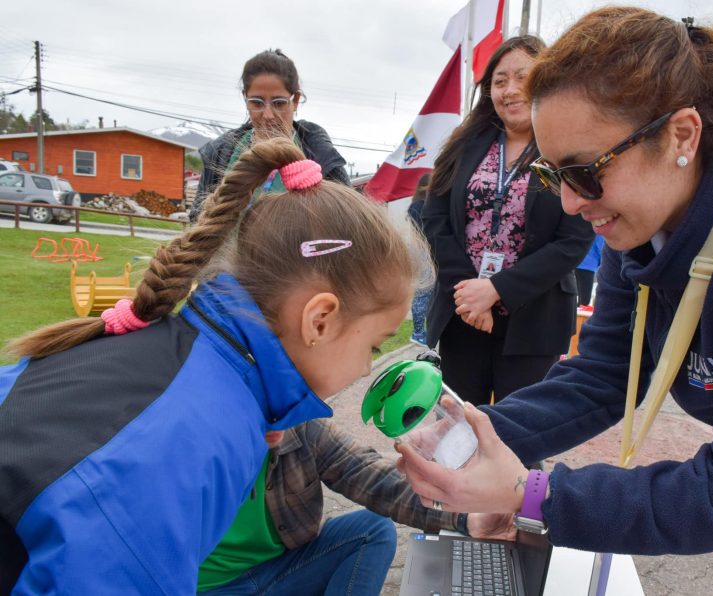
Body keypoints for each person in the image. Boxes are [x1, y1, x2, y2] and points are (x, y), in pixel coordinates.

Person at [398, 7, 713, 594]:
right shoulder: (644, 223)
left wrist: (532, 495)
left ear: (682, 134)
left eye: (584, 172)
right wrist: (465, 436)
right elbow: (604, 376)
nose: (573, 206)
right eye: (554, 178)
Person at [0, 136, 426, 594]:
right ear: (319, 320)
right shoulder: (200, 435)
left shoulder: (182, 363)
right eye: (375, 347)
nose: (366, 370)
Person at [423, 35, 593, 406]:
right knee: (459, 427)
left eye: (523, 77)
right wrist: (470, 293)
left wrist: (497, 289)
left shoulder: (570, 147)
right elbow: (433, 218)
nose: (510, 90)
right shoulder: (463, 144)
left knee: (519, 432)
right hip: (463, 311)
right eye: (500, 81)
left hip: (534, 317)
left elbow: (573, 240)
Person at [198, 421, 512, 595]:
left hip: (280, 569)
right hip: (210, 588)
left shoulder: (299, 425)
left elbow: (374, 477)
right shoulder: (185, 442)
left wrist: (466, 518)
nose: (364, 367)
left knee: (372, 530)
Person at [189, 49, 350, 223]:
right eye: (256, 103)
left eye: (279, 103)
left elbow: (350, 221)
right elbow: (197, 222)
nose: (268, 115)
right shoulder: (220, 153)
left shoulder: (320, 154)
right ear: (245, 98)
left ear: (295, 100)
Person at [407, 173, 433, 347]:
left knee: (429, 292)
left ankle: (423, 331)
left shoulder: (418, 204)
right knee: (422, 292)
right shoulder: (419, 206)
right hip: (421, 250)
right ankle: (417, 332)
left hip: (425, 250)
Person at [574, 235, 604, 308]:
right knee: (585, 300)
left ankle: (576, 316)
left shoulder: (584, 227)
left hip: (576, 263)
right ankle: (580, 317)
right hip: (588, 266)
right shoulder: (599, 232)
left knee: (578, 297)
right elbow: (602, 249)